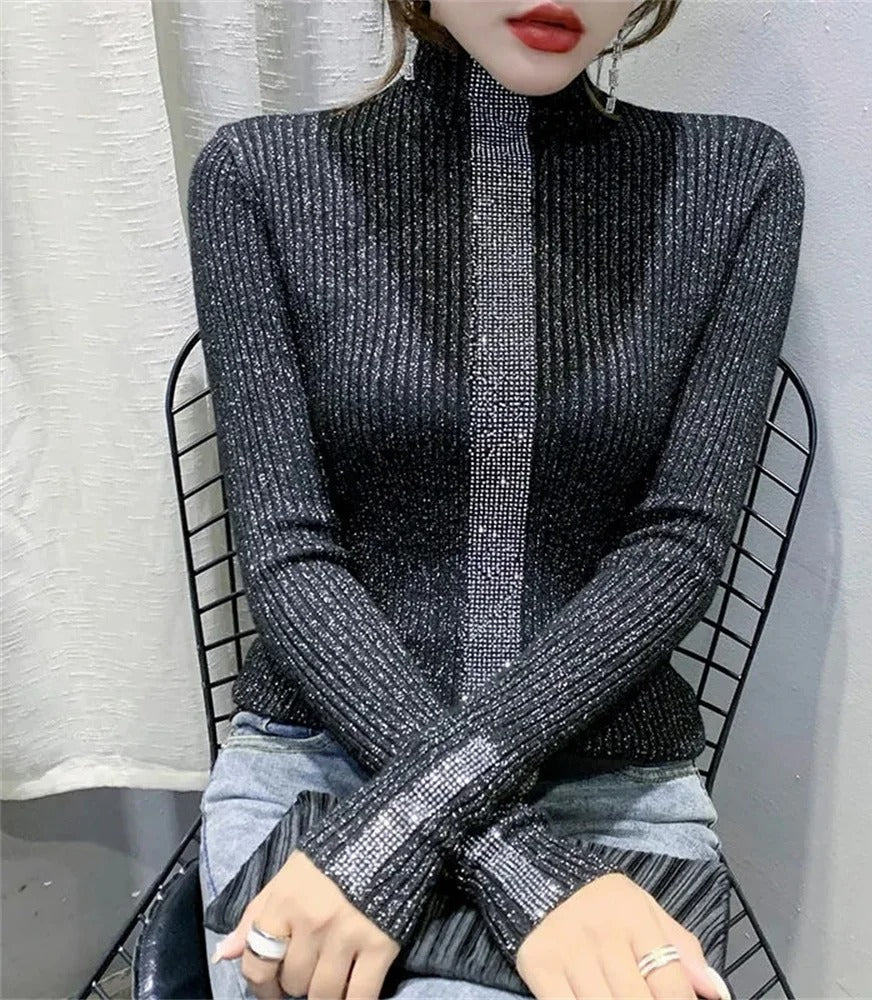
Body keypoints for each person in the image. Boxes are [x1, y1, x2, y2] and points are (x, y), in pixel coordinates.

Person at [185, 0, 805, 997]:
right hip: (323, 765)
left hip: (606, 786)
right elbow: (288, 552)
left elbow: (677, 544)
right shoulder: (258, 176)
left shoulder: (737, 179)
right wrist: (517, 870)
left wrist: (415, 828)